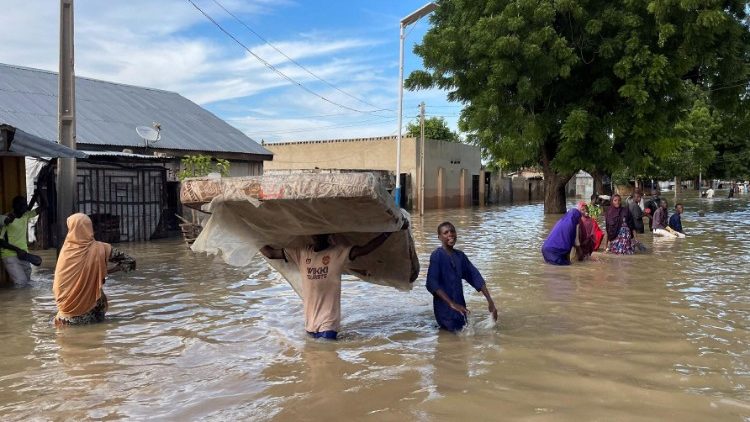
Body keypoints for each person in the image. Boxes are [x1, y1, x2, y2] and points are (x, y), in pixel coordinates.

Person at [260, 222, 408, 340]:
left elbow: (365, 249)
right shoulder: (302, 253)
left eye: (321, 234)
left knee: (327, 360)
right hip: (309, 324)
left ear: (329, 234)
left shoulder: (337, 252)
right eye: (315, 234)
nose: (317, 237)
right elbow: (271, 253)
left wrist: (388, 233)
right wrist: (249, 234)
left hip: (328, 324)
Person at [53, 213, 135, 325]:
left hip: (64, 318)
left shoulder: (65, 251)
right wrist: (107, 271)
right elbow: (130, 262)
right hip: (89, 315)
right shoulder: (102, 249)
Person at [426, 222, 498, 332]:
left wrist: (490, 302)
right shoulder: (437, 255)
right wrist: (451, 304)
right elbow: (431, 283)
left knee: (464, 335)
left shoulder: (460, 256)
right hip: (444, 310)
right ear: (439, 237)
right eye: (446, 232)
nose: (450, 234)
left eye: (452, 231)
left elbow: (475, 276)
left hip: (460, 308)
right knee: (452, 337)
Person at [0, 192, 45, 284]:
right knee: (21, 283)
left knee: (27, 283)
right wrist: (17, 250)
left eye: (25, 204)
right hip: (10, 255)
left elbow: (45, 206)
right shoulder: (4, 219)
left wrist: (39, 191)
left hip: (24, 255)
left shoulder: (25, 215)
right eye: (22, 205)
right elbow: (0, 242)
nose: (25, 206)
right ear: (15, 206)